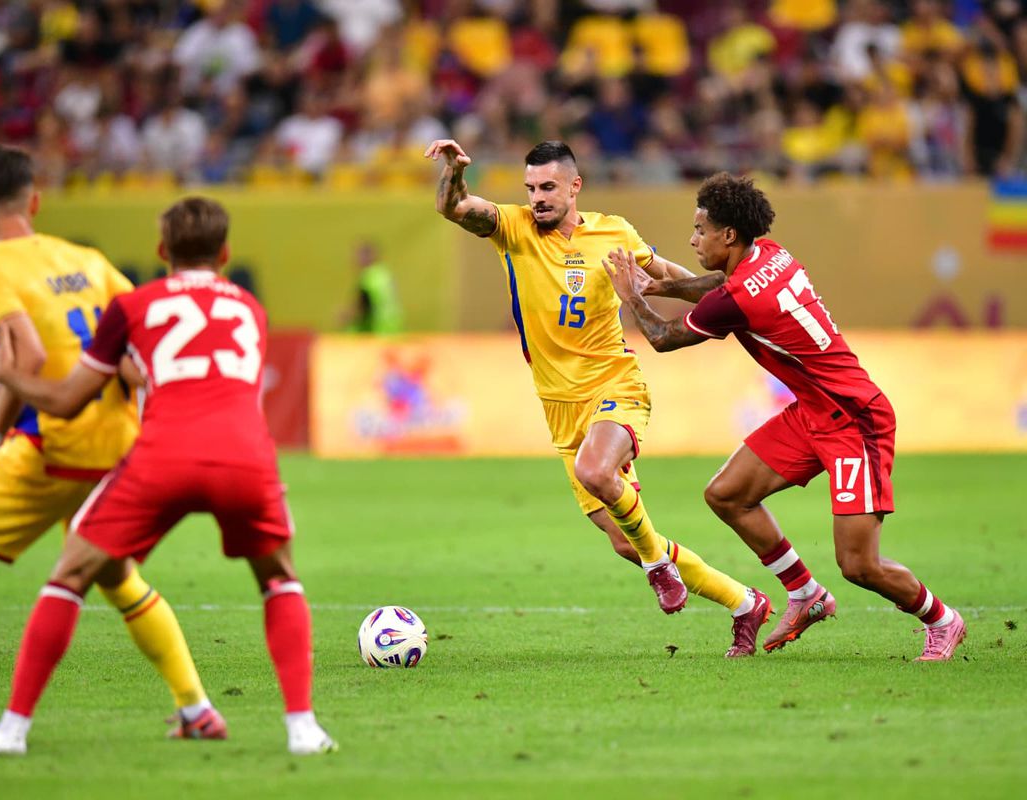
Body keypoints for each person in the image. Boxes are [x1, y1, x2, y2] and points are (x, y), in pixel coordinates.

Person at [0, 145, 222, 748]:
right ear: (34, 201)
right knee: (117, 577)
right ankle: (197, 709)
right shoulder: (87, 259)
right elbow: (139, 342)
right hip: (118, 445)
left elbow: (27, 358)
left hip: (52, 449)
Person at [0, 197, 336, 756]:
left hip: (163, 455)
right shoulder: (250, 309)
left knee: (70, 574)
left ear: (162, 249)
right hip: (245, 457)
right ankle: (303, 729)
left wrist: (11, 378)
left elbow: (67, 401)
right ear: (226, 253)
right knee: (279, 578)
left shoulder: (132, 306)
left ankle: (11, 731)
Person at [425, 138, 771, 657]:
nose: (537, 197)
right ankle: (745, 603)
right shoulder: (513, 228)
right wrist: (454, 171)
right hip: (558, 406)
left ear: (575, 186)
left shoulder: (614, 232)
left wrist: (730, 291)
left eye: (548, 187)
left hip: (614, 385)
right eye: (530, 188)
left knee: (596, 473)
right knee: (625, 541)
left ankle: (659, 567)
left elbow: (672, 278)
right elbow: (452, 207)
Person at [604, 172, 965, 661]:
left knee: (859, 565)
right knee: (727, 495)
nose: (692, 240)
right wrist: (662, 284)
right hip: (813, 410)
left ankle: (942, 620)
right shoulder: (770, 254)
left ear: (728, 234)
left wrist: (632, 294)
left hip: (854, 421)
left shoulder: (740, 299)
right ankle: (805, 592)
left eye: (700, 229)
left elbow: (665, 338)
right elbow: (720, 285)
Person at [343, 240, 402, 334]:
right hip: (394, 325)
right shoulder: (384, 273)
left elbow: (363, 307)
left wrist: (346, 316)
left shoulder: (368, 278)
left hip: (378, 329)